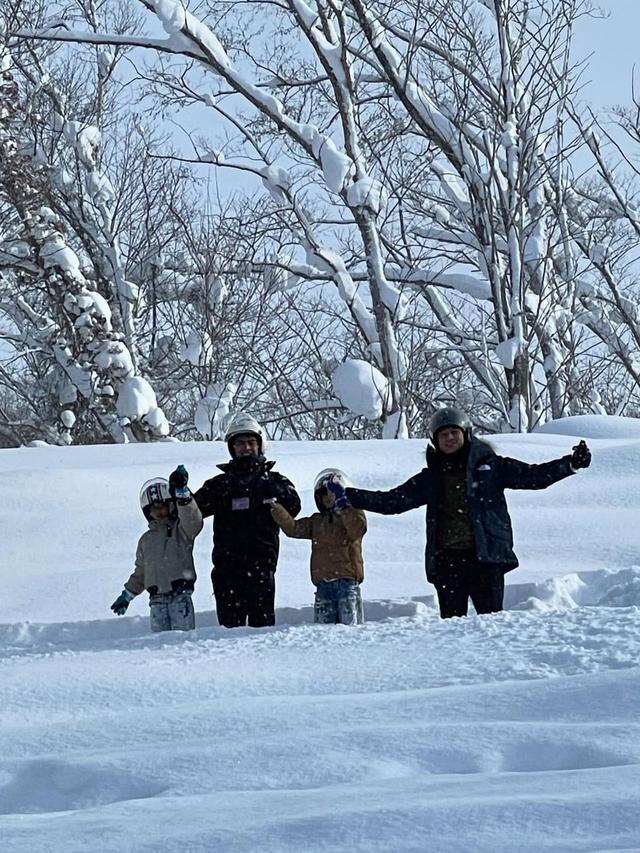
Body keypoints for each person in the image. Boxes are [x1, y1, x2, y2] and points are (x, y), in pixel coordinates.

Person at [330, 407, 592, 619]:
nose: (450, 438)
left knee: (491, 623)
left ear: (466, 434)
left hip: (487, 558)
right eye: (443, 435)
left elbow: (533, 476)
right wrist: (350, 495)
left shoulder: (491, 466)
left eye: (454, 432)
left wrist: (569, 465)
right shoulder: (431, 478)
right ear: (435, 441)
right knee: (453, 628)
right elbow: (393, 501)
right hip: (447, 560)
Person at [191, 413, 301, 628]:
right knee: (229, 633)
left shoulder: (275, 480)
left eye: (251, 442)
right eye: (240, 443)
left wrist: (270, 487)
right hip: (226, 570)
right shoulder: (220, 484)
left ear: (261, 445)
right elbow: (192, 511)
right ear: (232, 448)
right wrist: (180, 492)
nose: (246, 448)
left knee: (262, 632)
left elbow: (294, 507)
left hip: (262, 567)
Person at [269, 468, 367, 625]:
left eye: (332, 493)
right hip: (323, 584)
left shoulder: (353, 514)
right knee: (323, 630)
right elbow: (293, 528)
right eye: (323, 494)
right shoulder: (317, 521)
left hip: (347, 583)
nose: (328, 497)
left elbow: (357, 528)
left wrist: (343, 505)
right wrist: (277, 510)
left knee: (351, 629)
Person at [110, 467, 203, 632]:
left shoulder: (181, 531)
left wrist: (183, 496)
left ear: (171, 506)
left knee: (182, 640)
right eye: (154, 508)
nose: (158, 511)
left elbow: (193, 520)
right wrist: (128, 594)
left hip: (180, 597)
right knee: (160, 643)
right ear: (148, 512)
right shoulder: (146, 540)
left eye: (162, 506)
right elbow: (141, 572)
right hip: (156, 601)